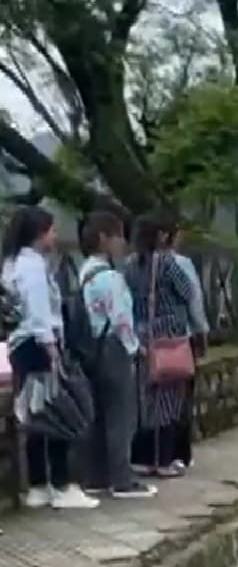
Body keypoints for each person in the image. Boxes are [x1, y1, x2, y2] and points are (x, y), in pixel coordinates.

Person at [2, 206, 99, 509]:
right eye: (52, 230)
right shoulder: (33, 267)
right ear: (39, 233)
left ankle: (38, 484)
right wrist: (51, 347)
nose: (55, 236)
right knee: (59, 411)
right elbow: (39, 310)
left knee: (36, 413)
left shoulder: (11, 264)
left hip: (20, 345)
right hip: (38, 344)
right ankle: (61, 483)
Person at [79, 211, 156, 498]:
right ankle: (122, 479)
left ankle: (97, 476)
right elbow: (121, 319)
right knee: (121, 415)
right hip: (114, 347)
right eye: (118, 236)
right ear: (103, 239)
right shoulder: (111, 278)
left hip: (92, 347)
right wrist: (135, 348)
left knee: (99, 415)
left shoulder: (84, 273)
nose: (122, 243)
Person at [123, 215, 196, 477]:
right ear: (160, 236)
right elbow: (188, 292)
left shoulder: (130, 265)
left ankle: (141, 457)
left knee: (144, 399)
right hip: (168, 338)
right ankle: (164, 459)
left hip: (141, 335)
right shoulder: (166, 262)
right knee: (168, 399)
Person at [169, 226, 209, 470]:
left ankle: (152, 453)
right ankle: (179, 452)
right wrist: (201, 330)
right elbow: (193, 299)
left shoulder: (133, 264)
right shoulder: (179, 264)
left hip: (145, 340)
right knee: (181, 397)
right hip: (179, 340)